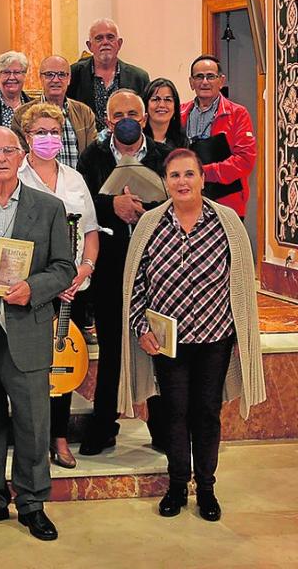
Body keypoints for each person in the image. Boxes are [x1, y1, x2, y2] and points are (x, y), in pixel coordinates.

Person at [120, 148, 265, 521]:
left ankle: (207, 488)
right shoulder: (151, 224)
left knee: (206, 414)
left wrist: (239, 333)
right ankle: (176, 486)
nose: (182, 182)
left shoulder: (226, 222)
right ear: (165, 182)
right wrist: (140, 327)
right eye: (174, 176)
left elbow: (241, 283)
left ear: (202, 179)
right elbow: (135, 283)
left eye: (189, 175)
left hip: (214, 338)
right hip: (168, 343)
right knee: (173, 414)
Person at [0, 128, 76, 542]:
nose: (1, 157)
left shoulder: (49, 207)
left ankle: (32, 501)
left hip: (28, 330)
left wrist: (34, 289)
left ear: (22, 156)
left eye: (8, 150)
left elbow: (63, 267)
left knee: (33, 423)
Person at [76, 89, 171, 456]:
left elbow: (180, 197)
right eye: (119, 115)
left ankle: (162, 426)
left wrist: (147, 206)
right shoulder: (93, 157)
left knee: (157, 347)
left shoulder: (165, 156)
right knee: (114, 346)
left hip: (157, 270)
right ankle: (103, 424)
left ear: (145, 118)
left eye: (134, 112)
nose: (126, 119)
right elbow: (80, 203)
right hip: (110, 266)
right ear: (107, 120)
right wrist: (110, 204)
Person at [16, 104, 101, 469]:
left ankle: (59, 436)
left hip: (73, 289)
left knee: (61, 359)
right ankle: (28, 438)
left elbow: (91, 232)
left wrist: (83, 270)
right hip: (31, 287)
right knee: (29, 364)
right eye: (40, 132)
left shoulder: (74, 178)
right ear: (26, 137)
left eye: (54, 132)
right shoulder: (16, 176)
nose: (47, 138)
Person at [182, 55, 256, 218]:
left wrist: (202, 173)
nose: (205, 82)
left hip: (227, 205)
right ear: (191, 82)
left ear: (221, 81)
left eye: (211, 76)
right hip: (186, 204)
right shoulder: (180, 113)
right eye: (199, 77)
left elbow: (245, 160)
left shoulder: (238, 114)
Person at [11, 55, 98, 168]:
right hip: (37, 183)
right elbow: (20, 157)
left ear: (69, 79)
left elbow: (92, 155)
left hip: (77, 182)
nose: (56, 80)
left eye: (61, 75)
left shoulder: (84, 113)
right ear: (40, 78)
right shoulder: (22, 115)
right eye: (49, 75)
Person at [68, 19, 151, 129]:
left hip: (126, 143)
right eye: (99, 38)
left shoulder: (139, 78)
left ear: (119, 43)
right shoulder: (73, 74)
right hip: (85, 144)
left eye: (110, 37)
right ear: (89, 46)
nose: (105, 42)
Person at [143, 78, 189, 149]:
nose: (162, 105)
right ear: (146, 104)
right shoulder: (138, 140)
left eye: (168, 99)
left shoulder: (182, 141)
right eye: (155, 99)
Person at [0, 51, 34, 128]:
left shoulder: (34, 106)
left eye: (17, 72)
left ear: (24, 75)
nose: (11, 77)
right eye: (6, 72)